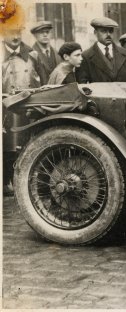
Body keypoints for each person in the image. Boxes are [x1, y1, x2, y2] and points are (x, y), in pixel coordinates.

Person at [2, 25, 43, 195]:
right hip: (5, 108)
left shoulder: (32, 54)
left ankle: (23, 180)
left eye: (18, 32)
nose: (16, 36)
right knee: (6, 146)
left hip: (27, 107)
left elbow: (41, 81)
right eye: (12, 32)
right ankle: (5, 181)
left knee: (26, 144)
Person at [76, 17, 126, 83]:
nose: (108, 34)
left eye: (111, 31)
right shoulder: (86, 57)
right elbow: (82, 84)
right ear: (95, 32)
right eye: (104, 31)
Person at [30, 21, 61, 85]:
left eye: (47, 32)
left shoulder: (57, 53)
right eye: (41, 32)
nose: (45, 35)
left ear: (51, 34)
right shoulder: (31, 54)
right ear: (35, 35)